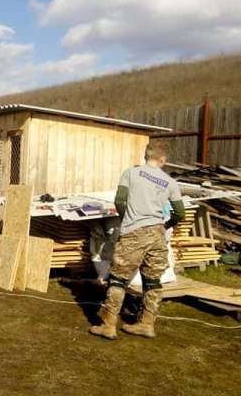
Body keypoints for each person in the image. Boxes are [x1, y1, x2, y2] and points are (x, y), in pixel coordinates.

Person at [89, 141, 185, 340]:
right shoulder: (170, 182)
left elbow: (119, 200)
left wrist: (127, 220)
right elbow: (180, 212)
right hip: (157, 236)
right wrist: (165, 226)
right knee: (152, 282)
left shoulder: (130, 173)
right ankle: (146, 324)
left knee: (118, 278)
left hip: (133, 233)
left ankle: (108, 325)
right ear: (163, 159)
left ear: (145, 155)